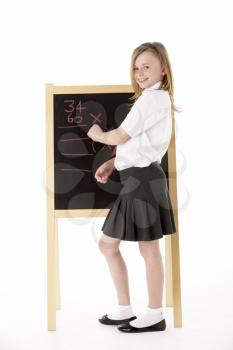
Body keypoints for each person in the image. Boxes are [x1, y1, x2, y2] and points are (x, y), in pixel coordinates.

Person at [87, 41, 181, 333]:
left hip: (142, 180)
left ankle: (154, 314)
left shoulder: (152, 100)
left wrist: (98, 135)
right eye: (136, 67)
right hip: (138, 177)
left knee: (147, 247)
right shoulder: (154, 99)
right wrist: (113, 164)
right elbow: (138, 144)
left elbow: (121, 136)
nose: (140, 72)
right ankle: (125, 309)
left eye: (147, 66)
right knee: (109, 244)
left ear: (163, 70)